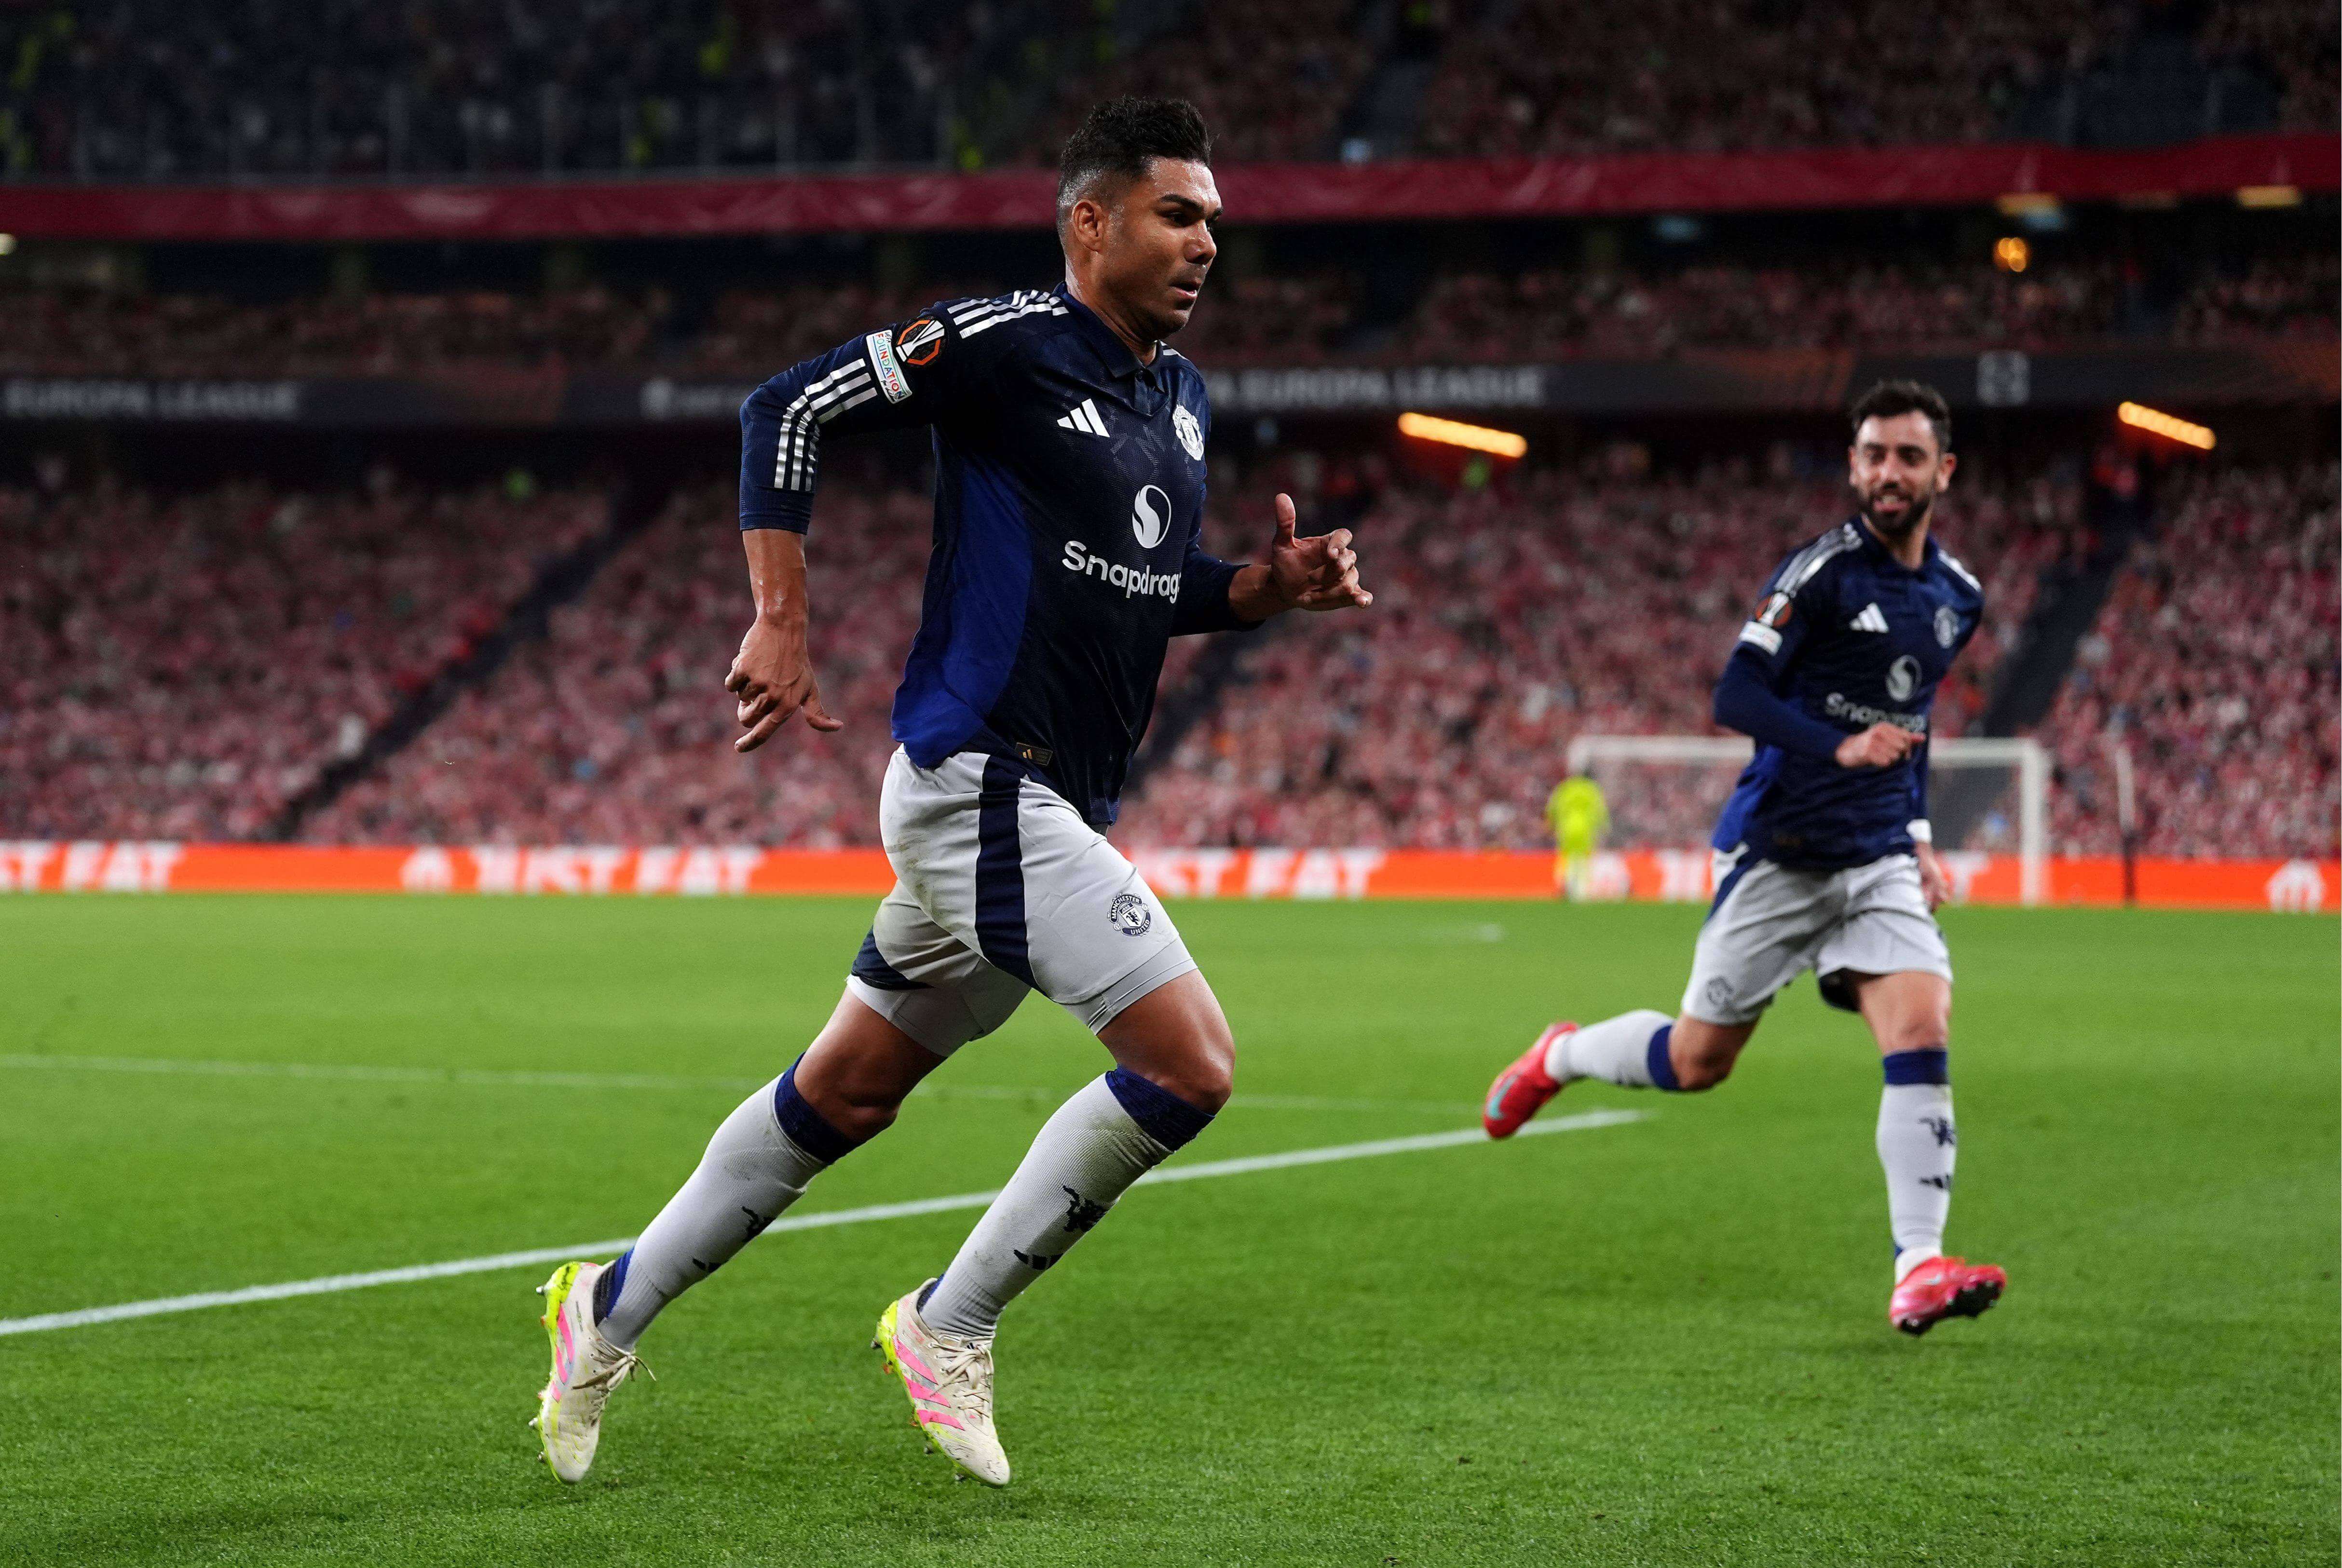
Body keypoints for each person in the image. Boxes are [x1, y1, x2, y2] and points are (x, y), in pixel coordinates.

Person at [526, 97, 1369, 1489]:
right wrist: (781, 617)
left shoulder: (1183, 401)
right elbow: (784, 404)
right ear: (1090, 222)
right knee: (1190, 1064)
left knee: (843, 1096)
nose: (1210, 239)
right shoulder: (1004, 342)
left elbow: (1148, 590)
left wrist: (1260, 592)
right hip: (982, 778)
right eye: (1180, 212)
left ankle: (601, 1309)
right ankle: (947, 1318)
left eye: (1216, 216)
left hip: (1043, 807)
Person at [1483, 380, 2006, 1337]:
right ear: (1853, 467)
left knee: (1922, 1030)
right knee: (1696, 1062)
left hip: (1878, 856)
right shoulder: (1819, 574)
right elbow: (1736, 693)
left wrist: (1920, 838)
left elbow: (1913, 723)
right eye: (1874, 456)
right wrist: (1834, 744)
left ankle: (1917, 1267)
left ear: (1944, 472)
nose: (1890, 473)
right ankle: (1560, 1053)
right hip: (1781, 852)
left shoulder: (1956, 598)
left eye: (1909, 457)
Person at [1547, 770, 1608, 898]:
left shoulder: (1565, 788)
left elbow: (1553, 808)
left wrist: (1552, 825)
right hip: (1586, 829)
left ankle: (1563, 886)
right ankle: (1580, 892)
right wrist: (1604, 827)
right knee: (1583, 860)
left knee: (1567, 858)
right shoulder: (1592, 790)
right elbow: (1600, 811)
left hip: (1566, 828)